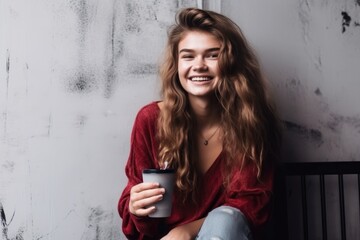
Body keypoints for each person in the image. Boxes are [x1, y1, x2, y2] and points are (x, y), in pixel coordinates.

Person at [118, 7, 282, 240]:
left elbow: (251, 207)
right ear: (176, 65)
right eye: (188, 55)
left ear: (231, 62)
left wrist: (186, 230)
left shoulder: (250, 121)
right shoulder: (151, 120)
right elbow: (140, 230)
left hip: (226, 235)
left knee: (225, 221)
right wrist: (137, 208)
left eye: (212, 55)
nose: (199, 65)